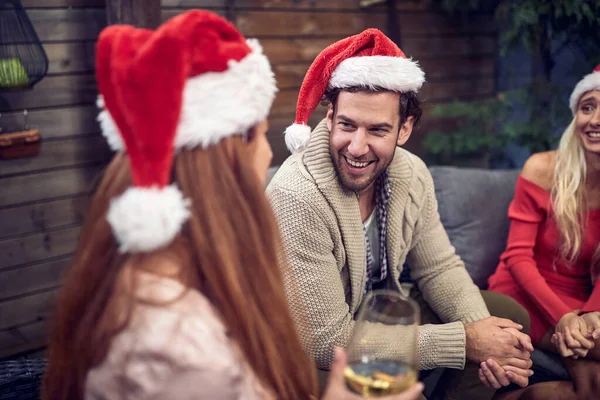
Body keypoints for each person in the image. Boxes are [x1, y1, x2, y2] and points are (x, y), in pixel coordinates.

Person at [41, 11, 424, 400]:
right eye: (259, 134)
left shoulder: (174, 270)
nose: (265, 151)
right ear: (227, 158)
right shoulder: (179, 347)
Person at [267, 29, 535, 400]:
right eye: (347, 125)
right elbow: (326, 342)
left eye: (377, 130)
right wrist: (464, 342)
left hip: (379, 315)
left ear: (404, 129)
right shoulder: (297, 195)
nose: (357, 147)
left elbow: (438, 267)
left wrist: (485, 336)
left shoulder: (411, 174)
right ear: (330, 116)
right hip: (306, 350)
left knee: (507, 320)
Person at [488, 64, 600, 399]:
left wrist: (592, 312)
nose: (594, 119)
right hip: (522, 293)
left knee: (591, 387)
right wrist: (563, 318)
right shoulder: (542, 168)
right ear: (575, 116)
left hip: (578, 298)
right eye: (588, 107)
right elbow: (517, 257)